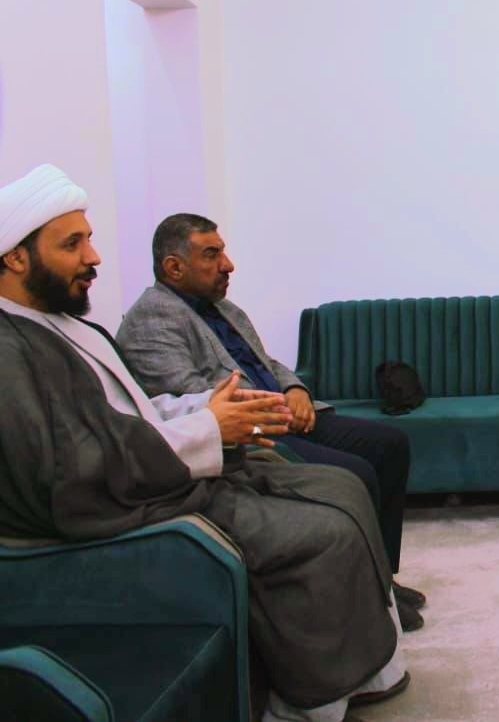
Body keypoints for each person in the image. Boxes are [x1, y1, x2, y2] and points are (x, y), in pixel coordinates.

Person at [0, 164, 409, 722]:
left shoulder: (72, 326)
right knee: (325, 528)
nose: (94, 257)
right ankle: (313, 700)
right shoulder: (11, 351)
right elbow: (70, 468)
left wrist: (236, 406)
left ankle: (371, 630)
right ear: (16, 257)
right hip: (124, 505)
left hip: (178, 454)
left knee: (341, 483)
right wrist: (212, 426)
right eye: (73, 244)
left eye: (89, 239)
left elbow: (139, 410)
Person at [115, 213, 426, 631]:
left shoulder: (223, 308)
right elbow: (195, 400)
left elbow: (266, 362)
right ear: (174, 267)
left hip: (285, 413)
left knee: (390, 445)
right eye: (212, 254)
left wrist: (295, 389)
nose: (228, 264)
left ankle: (382, 576)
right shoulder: (152, 320)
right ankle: (367, 595)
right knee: (356, 472)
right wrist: (277, 407)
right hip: (252, 434)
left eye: (223, 252)